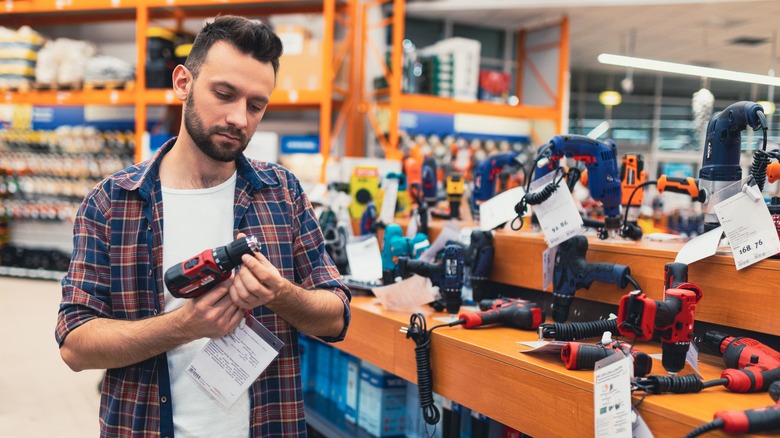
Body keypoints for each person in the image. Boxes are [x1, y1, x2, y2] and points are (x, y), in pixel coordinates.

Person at [55, 15, 351, 437]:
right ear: (182, 83)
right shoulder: (111, 203)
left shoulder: (282, 194)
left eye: (255, 105)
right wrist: (186, 325)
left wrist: (281, 295)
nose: (239, 118)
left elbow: (337, 317)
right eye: (224, 94)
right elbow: (75, 345)